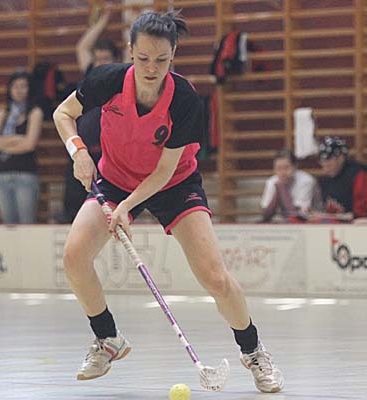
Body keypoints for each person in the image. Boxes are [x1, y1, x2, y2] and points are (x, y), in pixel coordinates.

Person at [53, 11, 284, 393]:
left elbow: (163, 172)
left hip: (174, 183)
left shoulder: (185, 99)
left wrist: (126, 207)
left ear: (173, 55)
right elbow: (63, 113)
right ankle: (108, 339)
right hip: (115, 178)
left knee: (214, 276)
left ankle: (253, 350)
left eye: (161, 60)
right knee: (74, 257)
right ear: (131, 50)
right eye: (143, 58)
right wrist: (78, 150)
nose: (151, 68)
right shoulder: (107, 80)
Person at [57, 2, 122, 224]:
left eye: (106, 59)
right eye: (98, 59)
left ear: (115, 61)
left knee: (107, 207)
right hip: (83, 153)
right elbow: (83, 47)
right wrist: (104, 19)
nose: (101, 64)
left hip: (109, 156)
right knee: (73, 207)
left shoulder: (121, 81)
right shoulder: (91, 78)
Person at [0, 69, 43, 224]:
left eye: (23, 86)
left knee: (26, 223)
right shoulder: (2, 113)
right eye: (15, 86)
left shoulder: (34, 113)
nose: (19, 90)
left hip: (25, 174)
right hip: (1, 174)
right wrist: (15, 139)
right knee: (8, 224)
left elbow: (29, 144)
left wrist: (2, 143)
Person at [316, 137, 367, 222]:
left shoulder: (361, 176)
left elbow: (363, 215)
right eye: (322, 161)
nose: (325, 166)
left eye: (329, 161)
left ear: (341, 158)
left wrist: (333, 217)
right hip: (340, 224)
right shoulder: (325, 180)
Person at [260, 148, 322, 222]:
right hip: (287, 223)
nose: (282, 172)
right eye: (278, 168)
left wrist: (281, 189)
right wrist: (277, 193)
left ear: (295, 167)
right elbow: (265, 216)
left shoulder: (306, 181)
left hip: (315, 222)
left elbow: (297, 216)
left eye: (286, 167)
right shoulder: (272, 181)